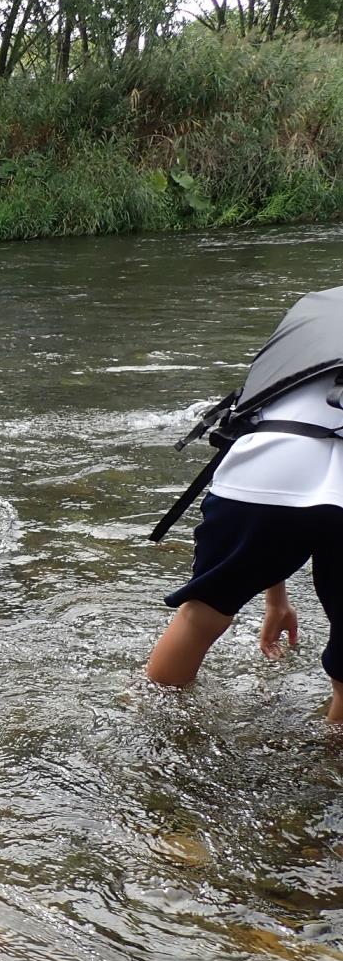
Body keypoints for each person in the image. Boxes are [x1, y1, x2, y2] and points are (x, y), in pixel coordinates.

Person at [147, 287, 343, 722]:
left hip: (262, 470)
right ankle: (326, 780)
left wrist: (275, 597)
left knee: (201, 617)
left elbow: (286, 473)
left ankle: (144, 738)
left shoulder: (315, 317)